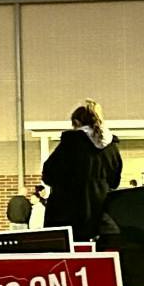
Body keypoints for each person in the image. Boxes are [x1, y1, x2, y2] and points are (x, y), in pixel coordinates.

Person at [41, 99, 123, 244]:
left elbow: (49, 173)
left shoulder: (71, 143)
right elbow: (115, 181)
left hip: (67, 214)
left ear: (77, 122)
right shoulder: (111, 148)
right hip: (99, 214)